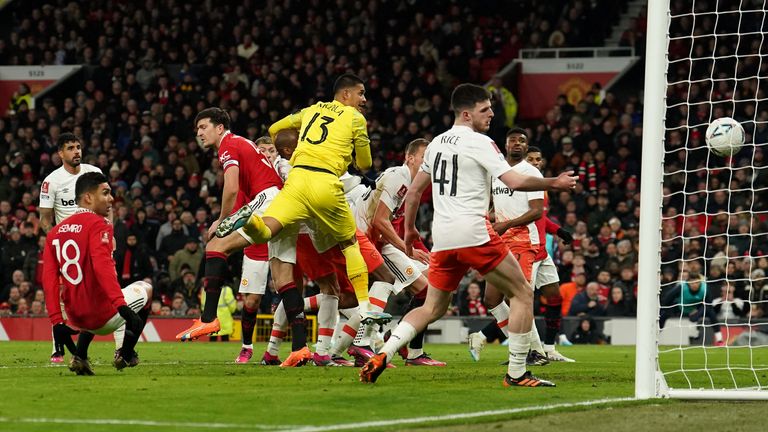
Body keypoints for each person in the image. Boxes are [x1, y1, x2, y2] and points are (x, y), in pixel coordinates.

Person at [359, 83, 577, 387]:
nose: (491, 114)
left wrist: (409, 231)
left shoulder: (435, 144)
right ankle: (517, 373)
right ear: (466, 113)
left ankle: (384, 352)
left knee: (431, 308)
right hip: (474, 232)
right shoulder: (481, 142)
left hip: (444, 238)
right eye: (485, 109)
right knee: (523, 293)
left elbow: (414, 193)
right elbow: (513, 180)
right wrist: (554, 182)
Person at [216, 74, 386, 328]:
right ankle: (365, 307)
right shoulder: (355, 118)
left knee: (266, 230)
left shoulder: (311, 110)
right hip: (325, 183)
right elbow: (365, 164)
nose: (364, 99)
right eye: (361, 93)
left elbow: (274, 129)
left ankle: (249, 218)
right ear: (346, 94)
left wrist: (297, 145)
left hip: (296, 180)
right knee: (350, 243)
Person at [172, 108, 303, 366]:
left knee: (216, 245)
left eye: (203, 127)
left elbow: (231, 187)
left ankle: (209, 318)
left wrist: (221, 219)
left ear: (220, 128)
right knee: (284, 280)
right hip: (285, 204)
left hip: (268, 199)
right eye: (197, 129)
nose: (199, 133)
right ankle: (300, 348)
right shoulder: (243, 143)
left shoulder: (229, 144)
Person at [43, 172, 152, 375]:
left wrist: (57, 321)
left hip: (74, 317)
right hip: (102, 316)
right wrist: (121, 306)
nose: (111, 199)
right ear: (88, 198)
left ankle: (80, 356)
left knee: (90, 292)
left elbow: (48, 280)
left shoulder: (54, 232)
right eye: (106, 193)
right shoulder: (99, 225)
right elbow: (104, 268)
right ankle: (126, 353)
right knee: (147, 288)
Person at [39, 132, 104, 363]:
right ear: (60, 153)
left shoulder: (93, 173)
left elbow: (107, 204)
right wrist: (55, 241)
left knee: (106, 290)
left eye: (78, 147)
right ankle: (58, 346)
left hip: (95, 243)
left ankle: (119, 347)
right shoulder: (51, 181)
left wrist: (110, 232)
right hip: (68, 247)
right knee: (62, 293)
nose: (76, 151)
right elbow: (45, 219)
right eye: (70, 148)